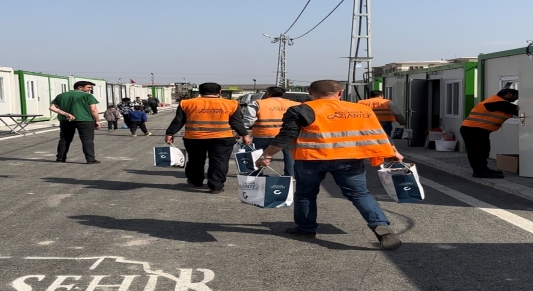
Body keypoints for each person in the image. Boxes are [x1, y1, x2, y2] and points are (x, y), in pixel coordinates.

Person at [255, 80, 404, 250]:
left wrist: (267, 155)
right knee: (360, 194)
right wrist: (393, 152)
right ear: (340, 93)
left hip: (311, 159)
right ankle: (379, 224)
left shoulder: (301, 109)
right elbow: (378, 132)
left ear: (311, 92)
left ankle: (306, 228)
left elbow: (286, 135)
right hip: (349, 160)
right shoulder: (361, 110)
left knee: (306, 194)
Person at [165, 82, 251, 194]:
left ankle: (195, 181)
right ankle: (216, 186)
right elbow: (236, 122)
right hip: (222, 137)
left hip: (194, 137)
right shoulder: (231, 104)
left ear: (200, 92)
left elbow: (178, 120)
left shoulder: (186, 103)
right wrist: (244, 135)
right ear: (219, 92)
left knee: (195, 160)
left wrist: (170, 133)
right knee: (219, 161)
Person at [459, 88, 519, 179]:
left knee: (483, 150)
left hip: (476, 130)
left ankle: (483, 169)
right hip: (473, 130)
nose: (516, 99)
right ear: (509, 94)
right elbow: (517, 111)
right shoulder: (497, 102)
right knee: (478, 151)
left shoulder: (497, 102)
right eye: (516, 96)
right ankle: (479, 172)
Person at [243, 86, 300, 176]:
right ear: (282, 94)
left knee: (259, 155)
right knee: (289, 156)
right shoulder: (295, 104)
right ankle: (290, 175)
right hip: (286, 135)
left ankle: (257, 174)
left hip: (263, 134)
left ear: (268, 93)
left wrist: (243, 131)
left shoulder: (257, 103)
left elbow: (249, 120)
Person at [49, 80, 101, 164]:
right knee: (87, 139)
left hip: (66, 120)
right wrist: (97, 120)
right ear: (80, 87)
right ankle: (90, 159)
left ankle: (60, 158)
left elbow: (52, 107)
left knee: (65, 139)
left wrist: (66, 114)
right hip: (85, 120)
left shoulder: (61, 95)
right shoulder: (88, 96)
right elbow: (93, 109)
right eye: (88, 87)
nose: (90, 89)